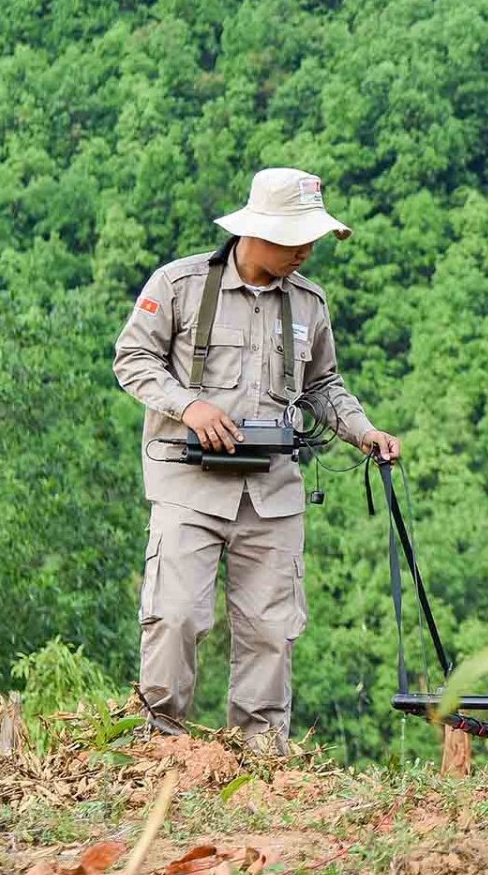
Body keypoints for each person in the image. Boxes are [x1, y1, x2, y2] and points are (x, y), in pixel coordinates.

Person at [113, 168, 401, 753]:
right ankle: (156, 751)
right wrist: (189, 406)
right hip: (188, 486)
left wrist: (364, 431)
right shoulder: (180, 285)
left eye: (310, 240)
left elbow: (323, 384)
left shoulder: (309, 304)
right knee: (174, 616)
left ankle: (261, 760)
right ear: (257, 232)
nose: (306, 252)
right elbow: (133, 359)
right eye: (295, 240)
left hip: (271, 493)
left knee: (272, 629)